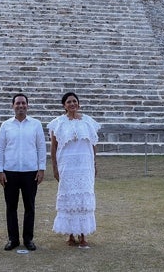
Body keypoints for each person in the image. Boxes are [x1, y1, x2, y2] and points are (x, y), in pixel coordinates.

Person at [47, 92, 101, 249]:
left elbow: (93, 144)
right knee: (70, 200)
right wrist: (55, 168)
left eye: (74, 101)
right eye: (69, 102)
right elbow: (53, 147)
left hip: (85, 167)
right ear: (64, 105)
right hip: (67, 167)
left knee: (83, 200)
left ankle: (83, 235)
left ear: (78, 103)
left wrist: (94, 163)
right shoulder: (57, 123)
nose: (72, 104)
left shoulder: (88, 122)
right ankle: (70, 234)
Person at [0, 93, 46, 251]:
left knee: (29, 207)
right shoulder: (6, 125)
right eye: (18, 103)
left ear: (27, 105)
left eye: (23, 103)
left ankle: (28, 239)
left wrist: (41, 168)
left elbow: (41, 147)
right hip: (10, 171)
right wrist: (0, 170)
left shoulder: (35, 124)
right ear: (13, 106)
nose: (21, 106)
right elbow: (0, 148)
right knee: (11, 207)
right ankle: (13, 239)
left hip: (30, 171)